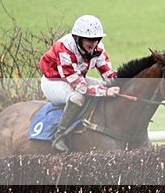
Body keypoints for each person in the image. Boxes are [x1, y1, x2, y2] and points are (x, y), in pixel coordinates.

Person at [39, 14, 120, 152]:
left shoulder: (99, 48)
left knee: (105, 86)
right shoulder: (64, 48)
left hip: (76, 78)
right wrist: (106, 92)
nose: (93, 43)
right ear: (78, 38)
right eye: (89, 39)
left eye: (96, 39)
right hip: (53, 82)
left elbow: (108, 74)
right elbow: (80, 86)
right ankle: (60, 136)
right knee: (77, 97)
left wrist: (124, 83)